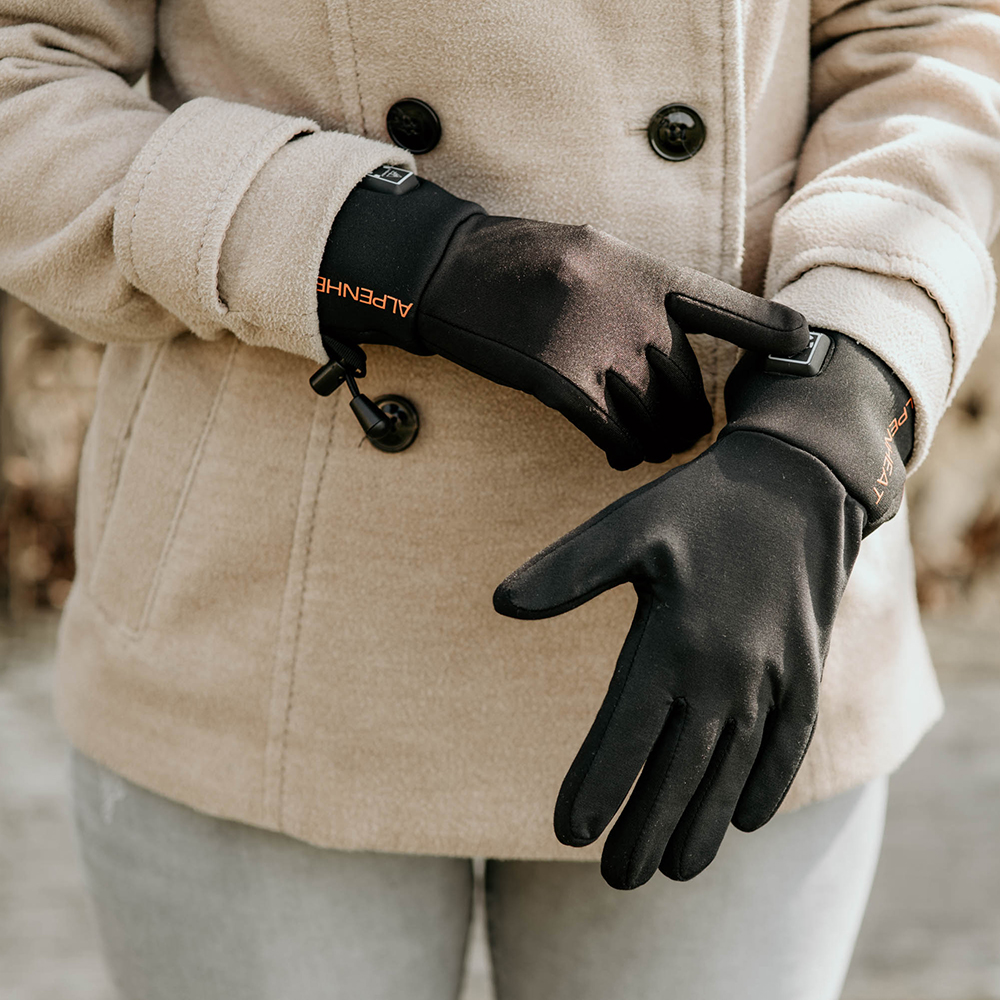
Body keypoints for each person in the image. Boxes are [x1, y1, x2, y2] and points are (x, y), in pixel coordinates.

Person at [1, 1, 998, 998]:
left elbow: (933, 47)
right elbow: (23, 73)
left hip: (743, 592)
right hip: (266, 613)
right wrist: (377, 246)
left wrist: (831, 412)